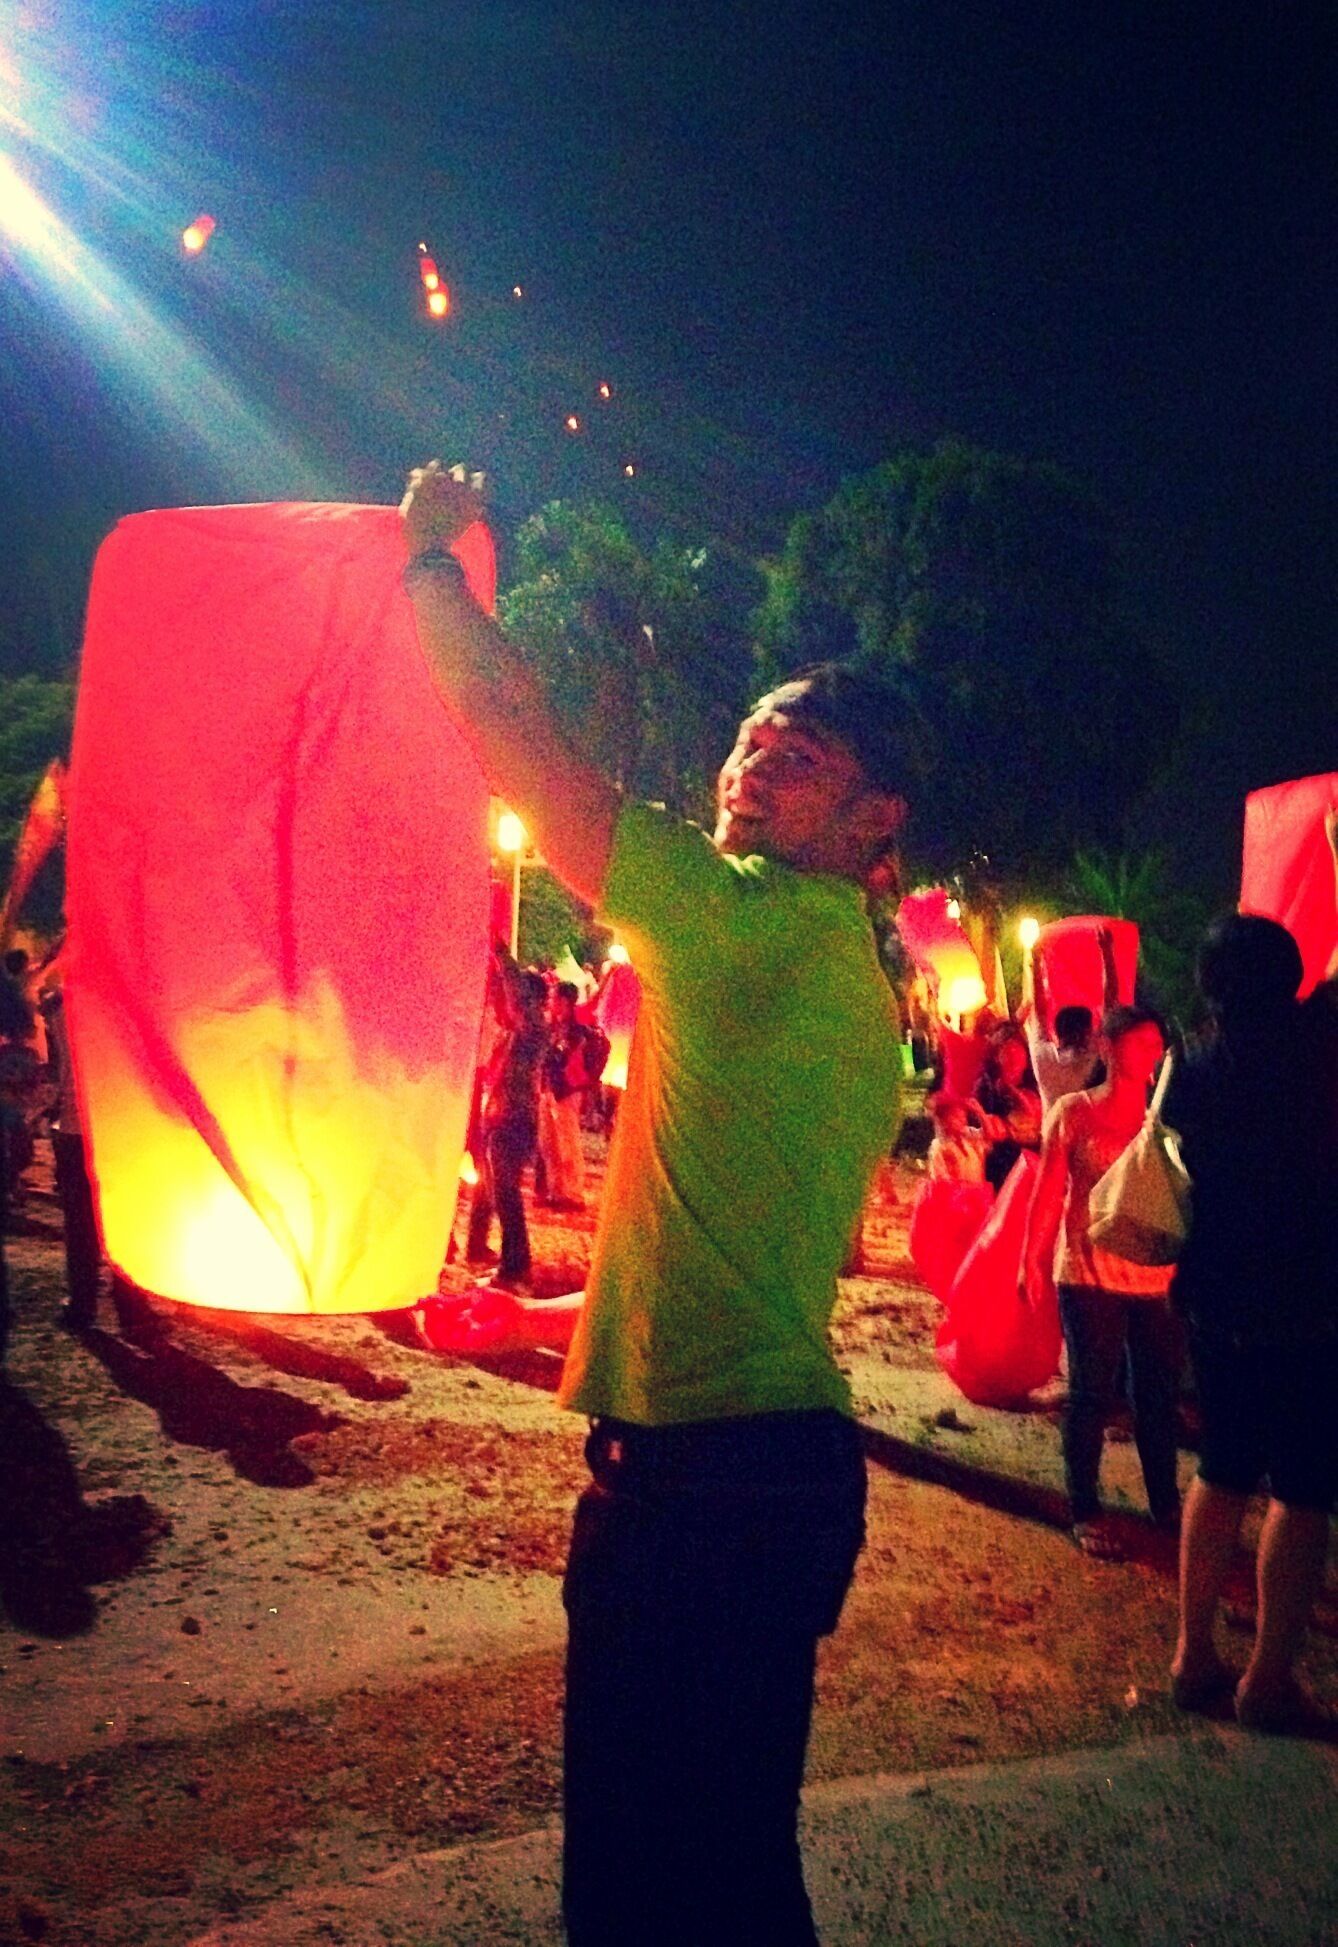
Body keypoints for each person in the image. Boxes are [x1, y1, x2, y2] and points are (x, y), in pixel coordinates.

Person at [400, 460, 906, 1946]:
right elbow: (719, 1247)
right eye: (755, 734)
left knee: (650, 1890)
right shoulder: (815, 963)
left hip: (712, 1495)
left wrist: (429, 565)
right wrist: (546, 1313)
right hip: (745, 1469)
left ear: (878, 818)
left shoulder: (757, 928)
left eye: (801, 756)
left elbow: (527, 750)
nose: (754, 758)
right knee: (720, 1874)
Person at [1164, 915, 1337, 1731]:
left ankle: (1193, 1653)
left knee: (1223, 1468)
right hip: (1311, 1301)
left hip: (1217, 1297)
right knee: (1303, 1489)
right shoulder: (1319, 1041)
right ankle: (1267, 1678)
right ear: (1291, 973)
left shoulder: (1190, 1064)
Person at [1021, 1005, 1182, 1558]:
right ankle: (1084, 1507)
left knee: (1157, 1399)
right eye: (1139, 1044)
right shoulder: (1074, 1114)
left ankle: (1166, 1503)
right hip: (1088, 1276)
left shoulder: (1166, 1119)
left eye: (1156, 1045)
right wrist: (1030, 1263)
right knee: (1091, 1395)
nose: (1150, 1055)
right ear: (1109, 1049)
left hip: (1155, 1280)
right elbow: (1047, 1193)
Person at [465, 962, 549, 1291]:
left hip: (515, 1118)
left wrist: (502, 954)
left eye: (517, 998)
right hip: (500, 1115)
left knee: (506, 1193)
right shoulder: (512, 1033)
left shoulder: (534, 1029)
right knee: (493, 1189)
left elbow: (519, 999)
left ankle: (516, 1265)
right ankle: (500, 1256)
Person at [538, 982, 607, 1209]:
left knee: (568, 1142)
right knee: (550, 1143)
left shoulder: (576, 1026)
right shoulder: (554, 1026)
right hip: (549, 1088)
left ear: (565, 1001)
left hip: (567, 1090)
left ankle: (574, 1194)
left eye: (554, 998)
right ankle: (557, 1191)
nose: (551, 1002)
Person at [971, 1027, 1042, 1192]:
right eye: (1008, 1053)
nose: (1014, 1059)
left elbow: (1035, 1119)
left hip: (1030, 1157)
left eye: (1018, 1053)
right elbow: (983, 1128)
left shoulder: (1031, 1086)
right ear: (997, 1056)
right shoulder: (985, 1087)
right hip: (1000, 1160)